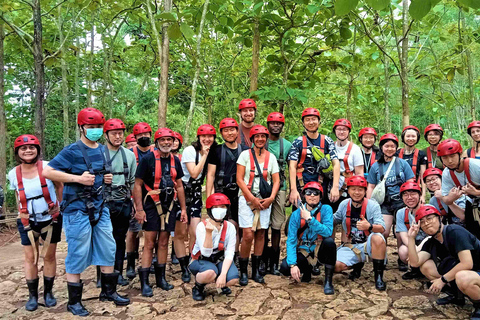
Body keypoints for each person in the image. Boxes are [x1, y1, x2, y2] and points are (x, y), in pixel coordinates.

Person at [43, 108, 130, 316]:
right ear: (81, 127)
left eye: (98, 127)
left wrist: (106, 178)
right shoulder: (72, 151)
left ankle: (109, 291)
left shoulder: (101, 149)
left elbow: (99, 174)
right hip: (77, 210)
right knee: (78, 252)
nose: (95, 130)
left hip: (100, 207)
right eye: (91, 127)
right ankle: (74, 302)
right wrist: (77, 179)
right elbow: (47, 171)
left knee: (108, 248)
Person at [9, 134, 63, 311]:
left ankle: (48, 293)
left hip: (50, 218)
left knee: (49, 255)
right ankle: (32, 295)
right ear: (18, 152)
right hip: (27, 220)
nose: (28, 150)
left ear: (38, 150)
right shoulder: (13, 173)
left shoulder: (48, 167)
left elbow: (59, 185)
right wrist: (21, 210)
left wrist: (59, 205)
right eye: (23, 148)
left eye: (31, 147)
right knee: (31, 257)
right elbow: (18, 193)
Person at [133, 127, 188, 296]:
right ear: (156, 142)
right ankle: (144, 282)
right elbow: (137, 185)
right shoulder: (148, 159)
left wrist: (184, 209)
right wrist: (139, 209)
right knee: (149, 242)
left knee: (164, 242)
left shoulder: (175, 160)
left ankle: (160, 278)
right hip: (151, 204)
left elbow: (179, 185)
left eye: (169, 140)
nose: (166, 143)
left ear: (173, 143)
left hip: (169, 205)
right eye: (162, 140)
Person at [407, 205, 480, 314]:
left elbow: (467, 263)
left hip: (475, 271)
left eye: (429, 218)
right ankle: (457, 295)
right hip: (470, 273)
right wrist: (411, 238)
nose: (426, 223)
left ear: (440, 218)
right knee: (426, 267)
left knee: (462, 277)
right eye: (422, 222)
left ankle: (478, 305)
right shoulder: (431, 242)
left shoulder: (455, 231)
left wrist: (442, 280)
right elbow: (414, 263)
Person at [236, 125, 280, 285]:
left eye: (263, 136)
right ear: (253, 139)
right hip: (247, 198)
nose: (260, 139)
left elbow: (276, 180)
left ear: (266, 138)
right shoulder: (244, 155)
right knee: (247, 234)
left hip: (265, 199)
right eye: (257, 137)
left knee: (261, 233)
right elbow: (239, 179)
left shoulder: (271, 157)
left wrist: (271, 198)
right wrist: (251, 199)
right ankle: (243, 271)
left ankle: (255, 270)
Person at [366, 133, 414, 271]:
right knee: (384, 231)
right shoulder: (376, 166)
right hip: (384, 204)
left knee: (400, 232)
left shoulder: (403, 164)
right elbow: (371, 186)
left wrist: (411, 199)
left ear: (396, 148)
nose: (389, 148)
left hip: (401, 203)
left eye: (392, 146)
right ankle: (382, 257)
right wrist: (370, 204)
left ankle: (402, 259)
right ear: (381, 147)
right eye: (386, 146)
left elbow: (411, 181)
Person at [280, 182, 336, 294]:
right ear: (304, 195)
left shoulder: (326, 209)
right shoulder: (296, 215)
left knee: (330, 243)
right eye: (308, 192)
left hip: (319, 248)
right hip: (303, 249)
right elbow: (291, 240)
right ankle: (307, 270)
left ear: (320, 196)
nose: (312, 196)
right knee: (285, 267)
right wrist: (293, 264)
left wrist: (310, 220)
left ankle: (328, 281)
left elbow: (328, 232)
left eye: (316, 193)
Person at [99, 119, 136, 287]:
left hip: (123, 201)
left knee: (119, 238)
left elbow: (134, 181)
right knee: (103, 238)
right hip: (103, 202)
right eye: (114, 133)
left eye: (120, 133)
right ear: (106, 135)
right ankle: (101, 275)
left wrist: (137, 205)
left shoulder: (129, 155)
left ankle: (118, 273)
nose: (118, 136)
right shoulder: (98, 153)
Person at [333, 175, 387, 291]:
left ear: (365, 191)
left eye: (360, 189)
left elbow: (382, 228)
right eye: (353, 189)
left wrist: (369, 226)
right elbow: (334, 219)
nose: (357, 192)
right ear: (348, 190)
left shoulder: (373, 205)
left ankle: (378, 277)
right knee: (335, 266)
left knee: (378, 237)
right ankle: (356, 265)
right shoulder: (344, 204)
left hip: (368, 244)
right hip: (350, 245)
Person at [206, 118, 245, 261]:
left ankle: (234, 254)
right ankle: (221, 254)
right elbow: (210, 174)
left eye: (232, 129)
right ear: (222, 133)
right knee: (225, 225)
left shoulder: (245, 150)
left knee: (239, 226)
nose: (229, 133)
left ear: (237, 131)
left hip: (240, 194)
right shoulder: (216, 151)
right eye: (226, 130)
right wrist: (209, 196)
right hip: (222, 193)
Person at [180, 124, 216, 273]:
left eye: (210, 137)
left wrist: (211, 200)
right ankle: (181, 262)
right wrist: (205, 156)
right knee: (182, 232)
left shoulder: (212, 153)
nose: (207, 139)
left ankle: (193, 259)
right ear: (199, 137)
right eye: (204, 137)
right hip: (182, 191)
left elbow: (209, 177)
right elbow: (194, 173)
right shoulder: (190, 151)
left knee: (194, 231)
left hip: (195, 193)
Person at [189, 193, 239, 301]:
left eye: (222, 207)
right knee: (210, 272)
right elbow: (206, 253)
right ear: (209, 210)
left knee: (233, 279)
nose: (219, 210)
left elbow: (230, 252)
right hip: (200, 260)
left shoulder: (230, 227)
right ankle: (198, 287)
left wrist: (224, 274)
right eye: (215, 207)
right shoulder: (201, 227)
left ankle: (221, 282)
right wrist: (208, 233)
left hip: (218, 258)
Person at [288, 108, 340, 209]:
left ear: (319, 121)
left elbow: (336, 163)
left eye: (313, 119)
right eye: (307, 120)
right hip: (302, 186)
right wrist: (293, 190)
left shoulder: (327, 141)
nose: (311, 122)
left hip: (322, 186)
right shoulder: (298, 142)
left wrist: (335, 187)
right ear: (303, 123)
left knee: (323, 217)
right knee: (299, 219)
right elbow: (292, 166)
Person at [260, 112, 292, 276]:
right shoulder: (259, 142)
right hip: (262, 188)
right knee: (263, 226)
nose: (276, 126)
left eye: (279, 123)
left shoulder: (286, 145)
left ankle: (274, 262)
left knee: (277, 226)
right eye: (272, 123)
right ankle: (262, 261)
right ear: (267, 124)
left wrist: (292, 190)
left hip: (280, 188)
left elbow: (292, 167)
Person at [125, 122, 156, 280]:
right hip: (134, 197)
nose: (144, 137)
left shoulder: (156, 152)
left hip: (154, 197)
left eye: (146, 135)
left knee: (154, 230)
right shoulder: (129, 154)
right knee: (134, 230)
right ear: (135, 137)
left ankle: (152, 260)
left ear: (151, 135)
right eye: (140, 136)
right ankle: (130, 262)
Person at [438, 139, 480, 240]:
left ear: (459, 154)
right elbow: (446, 199)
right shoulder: (447, 173)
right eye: (445, 158)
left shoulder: (476, 166)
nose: (450, 161)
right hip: (473, 205)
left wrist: (476, 192)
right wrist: (452, 198)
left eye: (452, 156)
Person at [395, 181, 429, 280]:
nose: (409, 198)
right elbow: (404, 236)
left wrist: (417, 251)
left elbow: (434, 235)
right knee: (403, 251)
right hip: (414, 241)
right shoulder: (401, 213)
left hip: (429, 243)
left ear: (419, 195)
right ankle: (415, 269)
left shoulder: (429, 209)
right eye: (405, 195)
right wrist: (414, 250)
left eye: (413, 194)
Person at [332, 118, 364, 210]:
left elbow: (359, 173)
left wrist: (357, 192)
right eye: (339, 129)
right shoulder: (331, 147)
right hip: (331, 186)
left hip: (348, 188)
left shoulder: (355, 149)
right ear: (335, 131)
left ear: (348, 132)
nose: (341, 132)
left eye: (344, 129)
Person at [398, 125, 427, 200]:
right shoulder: (396, 153)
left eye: (413, 136)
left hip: (414, 189)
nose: (410, 139)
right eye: (408, 136)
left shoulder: (421, 154)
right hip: (398, 190)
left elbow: (423, 175)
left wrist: (423, 195)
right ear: (403, 138)